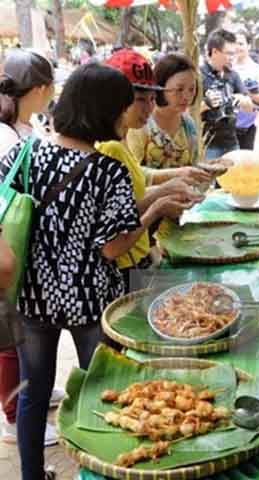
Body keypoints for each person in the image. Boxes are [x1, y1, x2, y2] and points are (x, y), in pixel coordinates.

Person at [0, 62, 186, 480]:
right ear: (103, 111)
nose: (126, 118)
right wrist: (155, 209)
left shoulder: (27, 152)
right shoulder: (109, 171)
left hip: (33, 297)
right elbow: (113, 245)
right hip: (89, 301)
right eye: (123, 109)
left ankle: (32, 476)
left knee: (33, 394)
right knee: (107, 392)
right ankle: (106, 471)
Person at [0, 49, 65, 448]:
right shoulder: (6, 136)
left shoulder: (24, 125)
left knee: (21, 335)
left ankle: (30, 397)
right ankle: (12, 417)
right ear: (40, 89)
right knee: (9, 338)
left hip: (24, 247)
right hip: (8, 248)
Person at [99, 49, 202, 288]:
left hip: (143, 252)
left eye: (151, 99)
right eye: (140, 100)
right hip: (124, 267)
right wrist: (159, 202)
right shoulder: (111, 147)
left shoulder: (120, 141)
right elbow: (114, 241)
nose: (148, 108)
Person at [126, 53, 209, 177]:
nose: (186, 97)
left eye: (191, 89)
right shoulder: (140, 122)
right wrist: (175, 174)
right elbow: (131, 173)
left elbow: (193, 165)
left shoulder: (188, 124)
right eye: (179, 89)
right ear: (161, 86)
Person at [200, 29, 254, 160]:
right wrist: (206, 103)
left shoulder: (233, 75)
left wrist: (241, 100)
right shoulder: (199, 75)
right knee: (208, 180)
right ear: (214, 52)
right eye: (228, 54)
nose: (232, 58)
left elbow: (250, 107)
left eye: (233, 54)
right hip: (207, 145)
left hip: (232, 142)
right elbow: (186, 111)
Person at [233, 32, 259, 149]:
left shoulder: (257, 70)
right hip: (225, 128)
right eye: (234, 43)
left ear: (248, 46)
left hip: (247, 128)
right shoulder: (227, 67)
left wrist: (244, 92)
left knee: (245, 164)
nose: (237, 47)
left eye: (241, 43)